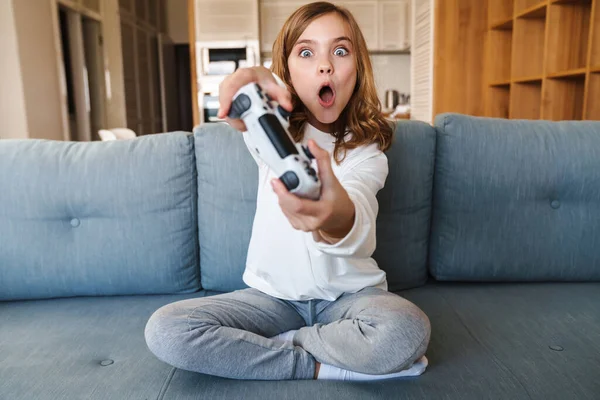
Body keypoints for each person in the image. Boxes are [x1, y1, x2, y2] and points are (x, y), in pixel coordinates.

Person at [145, 1, 431, 381]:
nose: (325, 65)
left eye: (340, 51)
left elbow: (357, 212)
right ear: (289, 73)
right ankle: (317, 364)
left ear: (357, 69)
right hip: (270, 301)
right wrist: (251, 78)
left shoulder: (368, 153)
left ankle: (279, 344)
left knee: (407, 329)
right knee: (166, 329)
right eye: (306, 52)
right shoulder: (272, 132)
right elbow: (251, 96)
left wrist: (331, 218)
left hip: (348, 300)